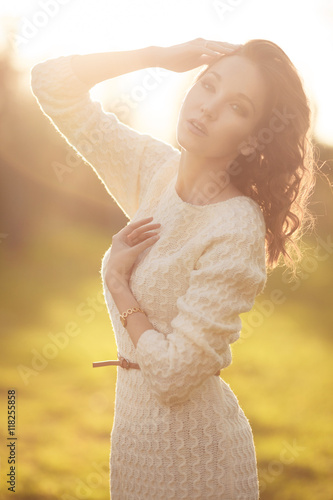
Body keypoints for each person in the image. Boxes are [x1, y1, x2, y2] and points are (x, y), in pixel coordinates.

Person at [31, 38, 316, 499]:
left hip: (196, 463)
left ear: (253, 139)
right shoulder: (153, 170)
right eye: (207, 86)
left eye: (236, 107)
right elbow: (52, 83)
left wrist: (119, 286)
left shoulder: (236, 227)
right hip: (133, 445)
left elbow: (173, 376)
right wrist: (155, 57)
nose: (207, 108)